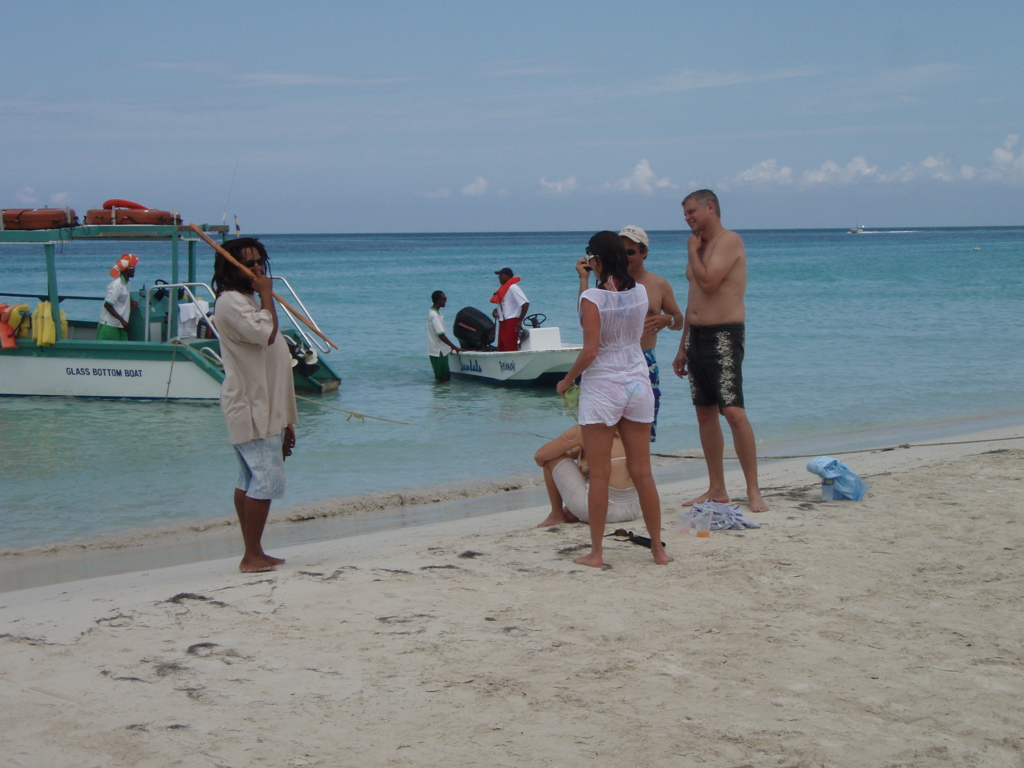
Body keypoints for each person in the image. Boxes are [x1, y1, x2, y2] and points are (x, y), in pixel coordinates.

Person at [556, 231, 672, 567]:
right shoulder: (640, 292)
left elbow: (590, 349)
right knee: (643, 472)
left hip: (603, 386)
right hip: (637, 382)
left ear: (598, 259)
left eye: (590, 256)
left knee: (601, 474)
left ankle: (596, 552)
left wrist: (566, 380)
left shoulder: (592, 297)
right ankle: (658, 550)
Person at [672, 190, 768, 513]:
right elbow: (693, 298)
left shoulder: (729, 241)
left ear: (710, 207)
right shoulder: (699, 248)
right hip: (696, 336)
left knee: (733, 411)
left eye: (691, 211)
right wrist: (682, 346)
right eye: (684, 213)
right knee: (704, 411)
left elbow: (710, 282)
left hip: (724, 336)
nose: (687, 217)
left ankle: (753, 490)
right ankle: (717, 487)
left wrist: (690, 252)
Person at [213, 237, 298, 573]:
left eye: (261, 263)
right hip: (250, 404)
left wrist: (286, 422)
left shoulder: (245, 299)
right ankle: (250, 556)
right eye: (249, 264)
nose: (258, 269)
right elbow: (266, 333)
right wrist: (266, 294)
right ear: (230, 267)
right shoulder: (231, 303)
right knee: (263, 480)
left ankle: (255, 550)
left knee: (249, 479)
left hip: (265, 405)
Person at [619, 226, 683, 443]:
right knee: (611, 428)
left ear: (644, 252)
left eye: (630, 252)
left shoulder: (659, 284)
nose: (625, 257)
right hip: (615, 361)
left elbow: (679, 322)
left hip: (645, 359)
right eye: (621, 252)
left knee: (643, 429)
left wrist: (668, 319)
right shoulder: (609, 283)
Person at [534, 425, 641, 527]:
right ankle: (572, 510)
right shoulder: (629, 427)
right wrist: (578, 448)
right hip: (633, 508)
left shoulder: (582, 431)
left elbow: (540, 457)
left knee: (551, 459)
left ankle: (556, 514)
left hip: (598, 511)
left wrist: (568, 448)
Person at [97, 254, 138, 340]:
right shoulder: (116, 285)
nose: (134, 270)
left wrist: (130, 303)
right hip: (110, 326)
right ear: (126, 270)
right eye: (133, 268)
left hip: (120, 325)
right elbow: (107, 305)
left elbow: (119, 300)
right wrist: (122, 320)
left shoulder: (126, 283)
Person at [490, 267, 529, 351]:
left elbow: (525, 304)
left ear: (507, 276)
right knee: (501, 347)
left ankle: (513, 363)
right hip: (502, 322)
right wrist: (496, 311)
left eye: (501, 275)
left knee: (510, 346)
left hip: (511, 321)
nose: (499, 278)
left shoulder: (513, 288)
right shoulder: (503, 288)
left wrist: (519, 321)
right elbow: (505, 304)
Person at [428, 290, 462, 382]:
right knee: (443, 378)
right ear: (439, 300)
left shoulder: (436, 314)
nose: (446, 301)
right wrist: (454, 347)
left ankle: (441, 395)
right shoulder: (434, 315)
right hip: (438, 351)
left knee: (445, 377)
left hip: (441, 350)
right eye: (444, 299)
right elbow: (441, 335)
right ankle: (440, 396)